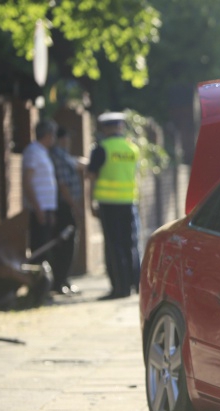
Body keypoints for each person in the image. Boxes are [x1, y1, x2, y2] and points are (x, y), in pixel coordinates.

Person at [86, 112, 141, 300]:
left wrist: (90, 202)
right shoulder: (132, 148)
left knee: (113, 246)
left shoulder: (101, 149)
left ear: (106, 128)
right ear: (121, 127)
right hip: (130, 202)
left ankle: (120, 288)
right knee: (130, 244)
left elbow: (91, 177)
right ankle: (136, 284)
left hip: (108, 204)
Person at [49, 126, 84, 295]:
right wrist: (75, 205)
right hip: (64, 207)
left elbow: (77, 163)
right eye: (67, 138)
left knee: (69, 244)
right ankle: (59, 281)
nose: (69, 141)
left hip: (67, 205)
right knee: (65, 245)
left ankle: (64, 279)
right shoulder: (58, 157)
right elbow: (63, 186)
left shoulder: (64, 156)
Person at [22, 119, 58, 265]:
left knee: (46, 246)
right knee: (39, 247)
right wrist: (38, 208)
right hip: (39, 208)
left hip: (47, 208)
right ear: (48, 135)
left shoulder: (43, 152)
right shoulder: (33, 152)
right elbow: (27, 182)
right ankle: (37, 283)